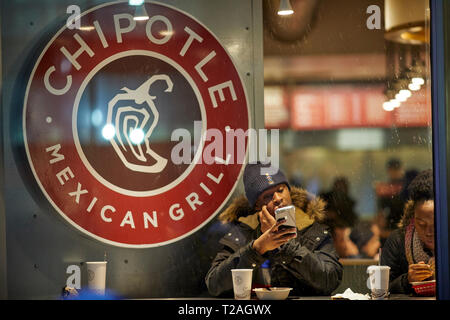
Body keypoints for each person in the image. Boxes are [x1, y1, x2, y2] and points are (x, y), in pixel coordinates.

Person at [205, 162, 343, 297]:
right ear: (257, 205)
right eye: (268, 196)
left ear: (289, 191)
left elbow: (330, 280)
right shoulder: (243, 231)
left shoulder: (312, 229)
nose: (278, 198)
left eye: (281, 190)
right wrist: (256, 248)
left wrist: (284, 243)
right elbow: (214, 284)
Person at [380, 169, 435, 294]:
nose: (429, 232)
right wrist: (407, 280)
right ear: (413, 218)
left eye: (436, 224)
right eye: (421, 224)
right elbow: (382, 289)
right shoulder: (398, 240)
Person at [375, 158, 405, 245]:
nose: (394, 172)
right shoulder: (384, 188)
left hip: (404, 225)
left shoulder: (406, 187)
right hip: (389, 227)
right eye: (392, 170)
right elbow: (380, 212)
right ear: (388, 171)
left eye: (396, 169)